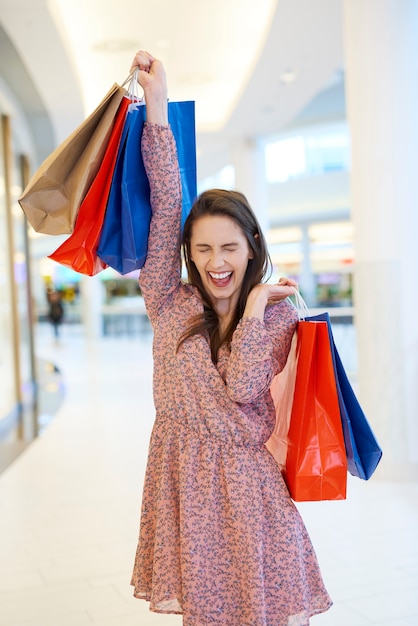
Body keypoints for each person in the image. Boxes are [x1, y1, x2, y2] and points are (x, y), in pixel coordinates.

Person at [130, 50, 332, 626]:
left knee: (255, 611)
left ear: (251, 249)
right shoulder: (167, 302)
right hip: (182, 477)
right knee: (206, 613)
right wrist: (158, 104)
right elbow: (168, 202)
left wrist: (250, 314)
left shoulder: (274, 317)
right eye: (203, 248)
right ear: (188, 254)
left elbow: (243, 388)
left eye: (229, 248)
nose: (216, 262)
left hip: (245, 488)